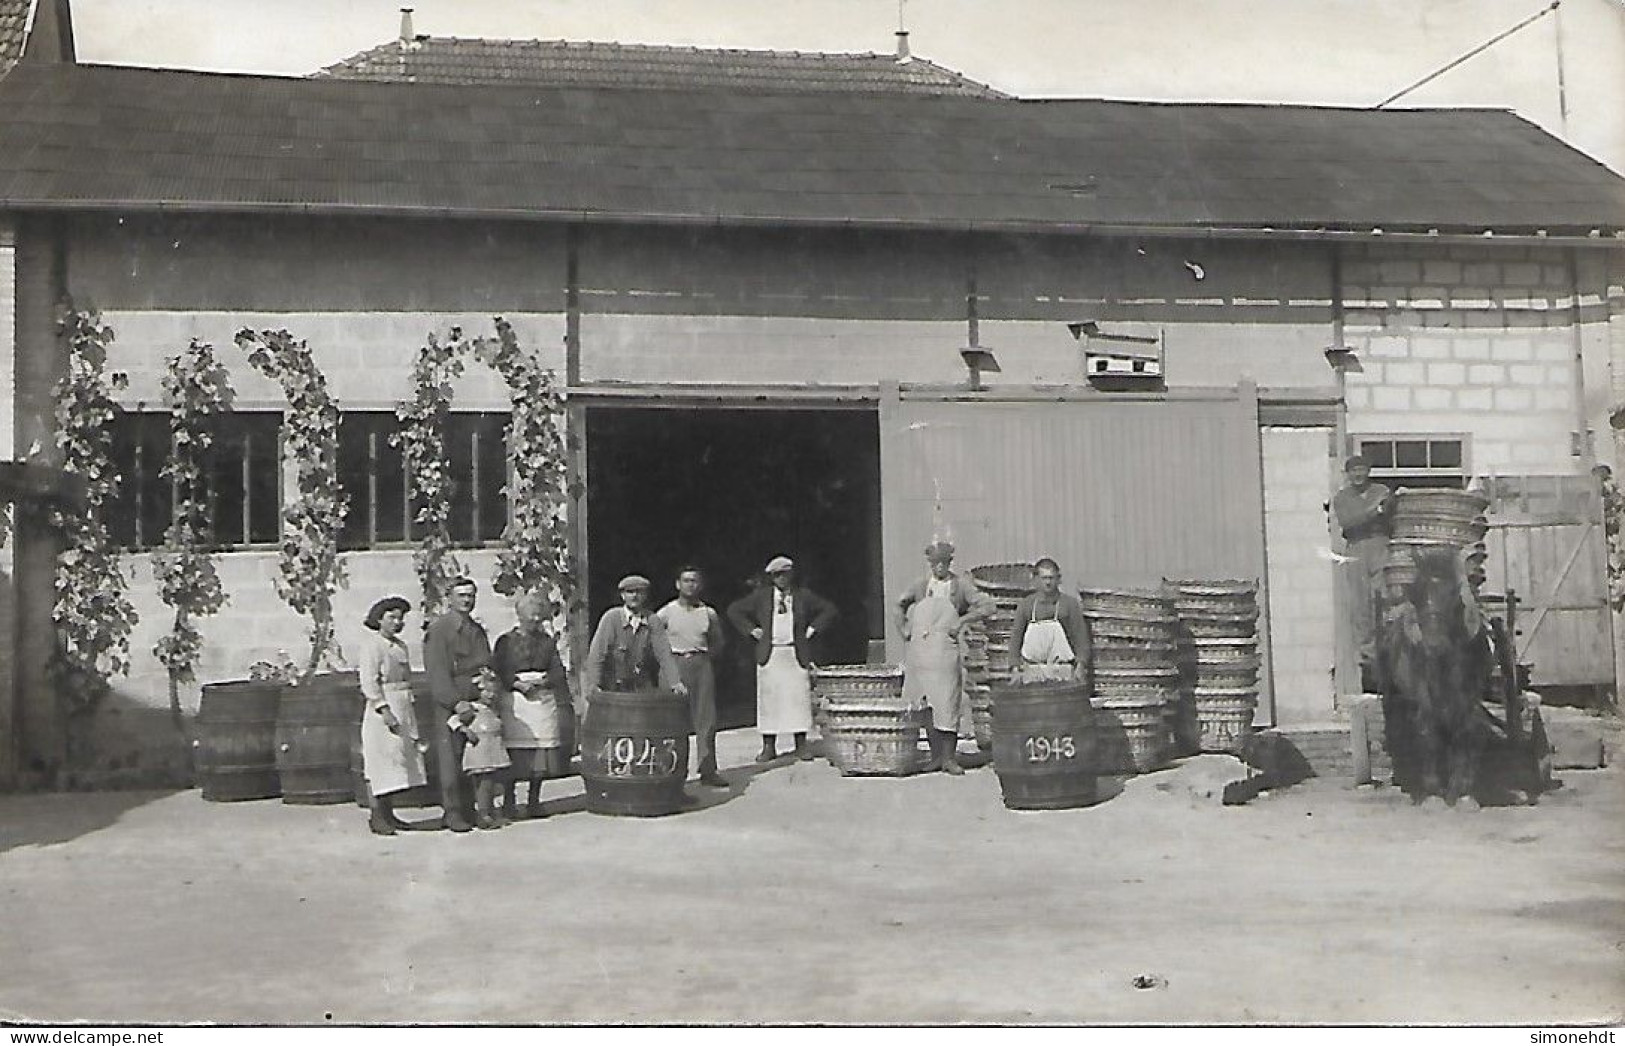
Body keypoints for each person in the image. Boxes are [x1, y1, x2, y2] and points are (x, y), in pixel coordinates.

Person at [896, 540, 996, 775]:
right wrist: (904, 629)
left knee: (948, 703)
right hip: (921, 652)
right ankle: (935, 756)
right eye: (934, 563)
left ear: (950, 562)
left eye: (943, 563)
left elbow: (988, 605)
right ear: (930, 564)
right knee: (927, 703)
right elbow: (898, 605)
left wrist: (962, 621)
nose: (939, 567)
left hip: (946, 651)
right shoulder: (921, 586)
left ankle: (950, 758)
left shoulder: (960, 586)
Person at [727, 556, 839, 763]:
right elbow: (734, 610)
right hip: (770, 654)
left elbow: (829, 610)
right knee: (770, 701)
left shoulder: (802, 596)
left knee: (798, 700)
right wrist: (751, 630)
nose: (781, 579)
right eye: (776, 575)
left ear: (791, 574)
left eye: (784, 574)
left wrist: (811, 630)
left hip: (795, 654)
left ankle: (801, 745)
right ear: (771, 577)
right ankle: (769, 746)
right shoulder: (761, 597)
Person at [493, 590, 576, 820]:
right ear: (520, 616)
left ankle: (533, 801)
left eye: (539, 617)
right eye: (531, 617)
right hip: (517, 699)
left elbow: (557, 668)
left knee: (540, 752)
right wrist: (517, 684)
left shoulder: (547, 641)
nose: (536, 621)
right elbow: (499, 668)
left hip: (542, 698)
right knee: (516, 751)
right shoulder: (506, 641)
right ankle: (509, 801)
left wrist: (546, 681)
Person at [423, 576, 492, 834]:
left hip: (477, 702)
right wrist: (455, 702)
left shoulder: (476, 630)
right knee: (451, 760)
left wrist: (487, 689)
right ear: (449, 598)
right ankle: (452, 812)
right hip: (451, 705)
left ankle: (470, 808)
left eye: (471, 595)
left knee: (475, 757)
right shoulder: (440, 631)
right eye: (461, 595)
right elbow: (437, 672)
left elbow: (486, 664)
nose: (467, 600)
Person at [356, 596, 428, 836]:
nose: (397, 623)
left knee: (398, 762)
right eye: (392, 618)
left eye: (401, 618)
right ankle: (376, 816)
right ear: (379, 620)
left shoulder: (400, 646)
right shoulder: (372, 646)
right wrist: (383, 709)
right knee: (380, 763)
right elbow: (368, 681)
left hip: (403, 704)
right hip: (383, 709)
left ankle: (389, 813)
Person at [656, 566, 730, 787]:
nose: (690, 585)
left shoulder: (708, 613)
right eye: (686, 580)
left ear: (701, 585)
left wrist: (704, 660)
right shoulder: (665, 612)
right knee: (670, 721)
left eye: (695, 581)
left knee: (706, 719)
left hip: (700, 664)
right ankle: (671, 771)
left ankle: (708, 770)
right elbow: (653, 641)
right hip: (673, 665)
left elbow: (719, 641)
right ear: (678, 584)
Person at [1332, 453, 1393, 690]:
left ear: (1369, 471)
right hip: (1356, 548)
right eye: (1354, 470)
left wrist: (1381, 509)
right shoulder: (1342, 497)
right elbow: (1349, 522)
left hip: (1380, 544)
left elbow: (1390, 510)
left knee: (1385, 601)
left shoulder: (1381, 490)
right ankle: (1369, 669)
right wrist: (1373, 511)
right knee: (1360, 608)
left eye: (1362, 469)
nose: (1358, 474)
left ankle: (1389, 657)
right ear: (1348, 474)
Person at [583, 575, 687, 697]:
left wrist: (675, 682)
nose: (634, 596)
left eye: (639, 592)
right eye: (630, 592)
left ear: (646, 595)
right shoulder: (611, 618)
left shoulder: (652, 620)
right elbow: (597, 654)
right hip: (613, 687)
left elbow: (664, 653)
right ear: (622, 595)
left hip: (640, 686)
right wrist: (594, 684)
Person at [1008, 558, 1092, 687]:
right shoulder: (1026, 605)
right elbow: (1016, 638)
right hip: (1032, 671)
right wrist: (1014, 668)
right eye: (1044, 578)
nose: (1048, 582)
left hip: (1063, 671)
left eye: (1051, 578)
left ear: (1058, 579)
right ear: (1035, 579)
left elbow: (1080, 637)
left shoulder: (1069, 604)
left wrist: (1081, 665)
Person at [455, 667, 512, 830]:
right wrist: (465, 730)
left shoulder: (494, 709)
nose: (491, 695)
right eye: (486, 691)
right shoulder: (471, 709)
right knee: (483, 784)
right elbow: (453, 720)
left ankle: (491, 812)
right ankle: (483, 814)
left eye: (493, 692)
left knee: (494, 783)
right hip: (479, 753)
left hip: (493, 751)